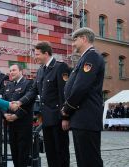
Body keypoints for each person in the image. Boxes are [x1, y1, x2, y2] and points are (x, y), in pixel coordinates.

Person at [16, 42, 70, 167]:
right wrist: (20, 102)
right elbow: (33, 91)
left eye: (37, 54)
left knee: (61, 152)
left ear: (46, 53)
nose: (36, 57)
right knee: (50, 152)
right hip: (46, 119)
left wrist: (65, 117)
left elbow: (64, 95)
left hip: (58, 118)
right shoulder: (41, 70)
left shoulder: (60, 67)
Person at [61, 27, 104, 167]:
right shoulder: (84, 58)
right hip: (81, 118)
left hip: (87, 117)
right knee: (83, 160)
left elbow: (81, 87)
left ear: (84, 38)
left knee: (90, 160)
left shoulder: (91, 57)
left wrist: (67, 109)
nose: (73, 44)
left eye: (75, 39)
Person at [3, 64, 34, 167]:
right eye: (10, 70)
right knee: (14, 149)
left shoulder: (28, 83)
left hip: (23, 123)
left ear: (21, 71)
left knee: (23, 151)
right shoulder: (8, 85)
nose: (11, 72)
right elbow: (3, 102)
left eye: (14, 70)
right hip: (11, 123)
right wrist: (4, 114)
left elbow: (29, 104)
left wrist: (16, 116)